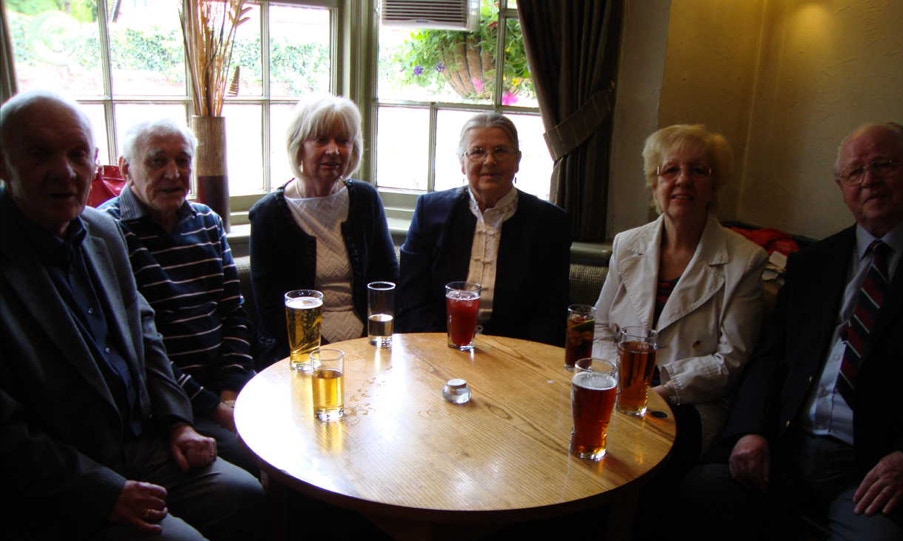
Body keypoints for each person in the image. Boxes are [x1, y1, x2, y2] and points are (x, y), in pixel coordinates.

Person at [0, 90, 265, 541]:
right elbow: (6, 437)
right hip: (64, 485)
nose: (65, 171)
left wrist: (176, 422)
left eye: (77, 154)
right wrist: (103, 492)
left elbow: (145, 334)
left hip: (142, 440)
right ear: (5, 161)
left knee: (246, 497)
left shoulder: (98, 232)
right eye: (41, 154)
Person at [682, 122, 903, 541]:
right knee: (696, 495)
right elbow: (769, 358)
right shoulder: (816, 262)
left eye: (884, 165)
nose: (869, 180)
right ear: (841, 186)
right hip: (788, 445)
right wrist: (751, 431)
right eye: (855, 171)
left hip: (876, 466)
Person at [593, 124, 768, 464]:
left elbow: (730, 361)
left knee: (626, 457)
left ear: (714, 185)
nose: (683, 180)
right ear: (654, 183)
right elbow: (600, 325)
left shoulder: (745, 260)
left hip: (687, 404)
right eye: (671, 170)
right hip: (617, 387)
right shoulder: (627, 244)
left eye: (698, 171)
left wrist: (658, 391)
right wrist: (618, 378)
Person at [99, 118, 259, 476]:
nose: (173, 173)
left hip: (228, 387)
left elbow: (233, 313)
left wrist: (231, 390)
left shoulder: (207, 221)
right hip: (166, 402)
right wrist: (211, 405)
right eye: (157, 161)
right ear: (126, 168)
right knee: (259, 455)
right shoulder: (107, 232)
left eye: (183, 160)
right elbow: (137, 349)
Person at [396, 111, 572, 346]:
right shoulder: (429, 211)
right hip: (438, 344)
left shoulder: (550, 222)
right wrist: (439, 348)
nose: (489, 161)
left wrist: (517, 356)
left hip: (516, 350)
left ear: (517, 161)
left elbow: (550, 313)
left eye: (500, 150)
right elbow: (411, 299)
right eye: (477, 151)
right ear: (462, 163)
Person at [249, 94, 398, 367]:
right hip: (299, 352)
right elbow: (270, 313)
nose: (334, 150)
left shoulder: (366, 200)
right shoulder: (268, 215)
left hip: (371, 344)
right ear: (299, 146)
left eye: (343, 140)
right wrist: (328, 355)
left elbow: (387, 280)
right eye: (321, 140)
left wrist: (366, 346)